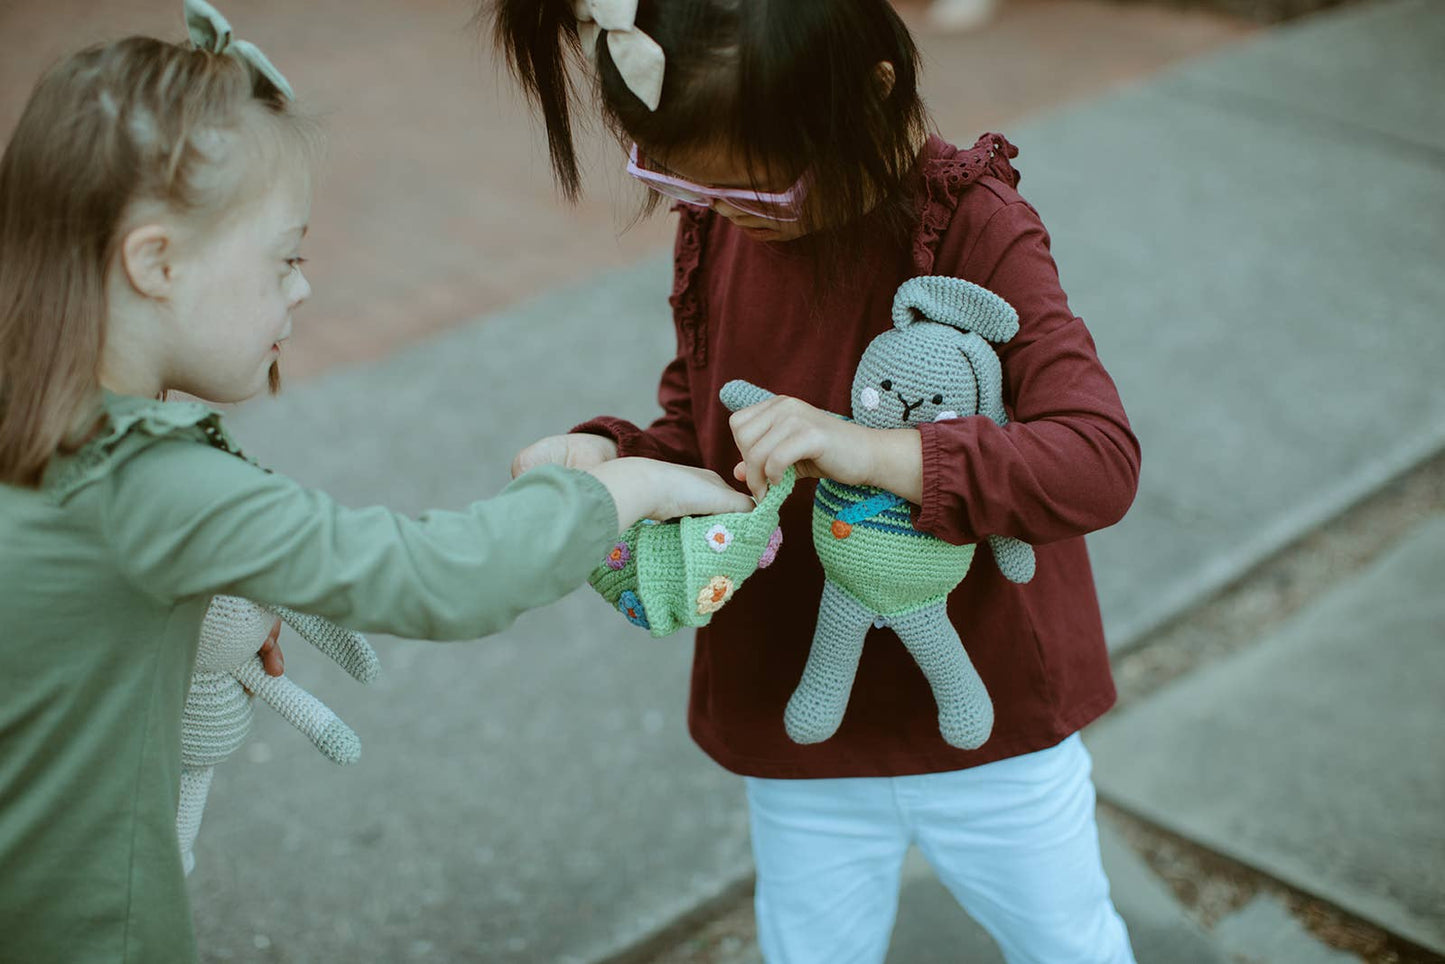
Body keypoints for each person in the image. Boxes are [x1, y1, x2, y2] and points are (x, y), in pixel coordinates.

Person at [0, 7, 752, 962]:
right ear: (155, 263)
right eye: (286, 258)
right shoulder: (153, 481)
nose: (304, 289)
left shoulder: (34, 412)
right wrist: (623, 490)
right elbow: (433, 574)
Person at [491, 1, 1141, 961]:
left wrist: (868, 449)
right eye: (697, 190)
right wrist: (614, 456)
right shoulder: (717, 225)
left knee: (1067, 943)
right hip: (799, 705)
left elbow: (1096, 458)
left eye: (760, 191)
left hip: (989, 719)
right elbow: (701, 430)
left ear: (871, 92)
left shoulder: (972, 224)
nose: (730, 214)